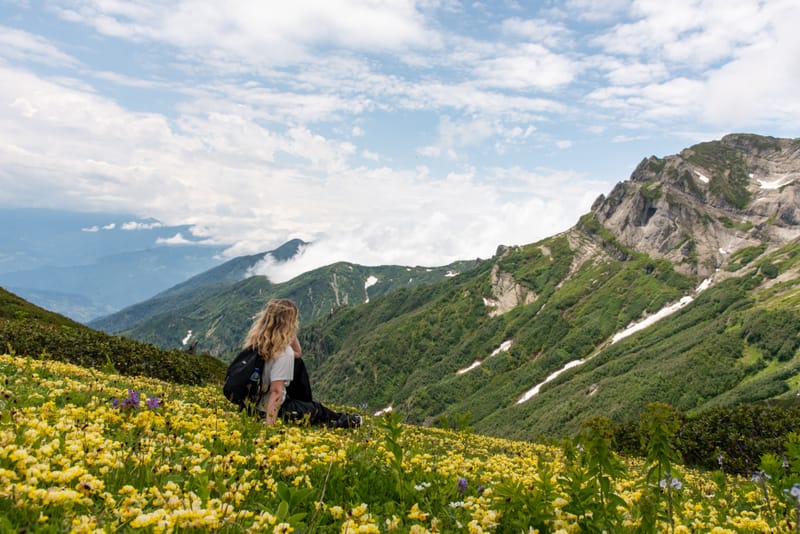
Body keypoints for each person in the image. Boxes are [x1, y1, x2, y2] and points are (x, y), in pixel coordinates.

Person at [242, 298, 361, 428]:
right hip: (275, 409)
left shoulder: (257, 344)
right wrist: (269, 427)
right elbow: (276, 392)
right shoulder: (284, 353)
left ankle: (305, 405)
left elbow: (298, 354)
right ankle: (349, 421)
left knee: (298, 363)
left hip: (252, 405)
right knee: (318, 411)